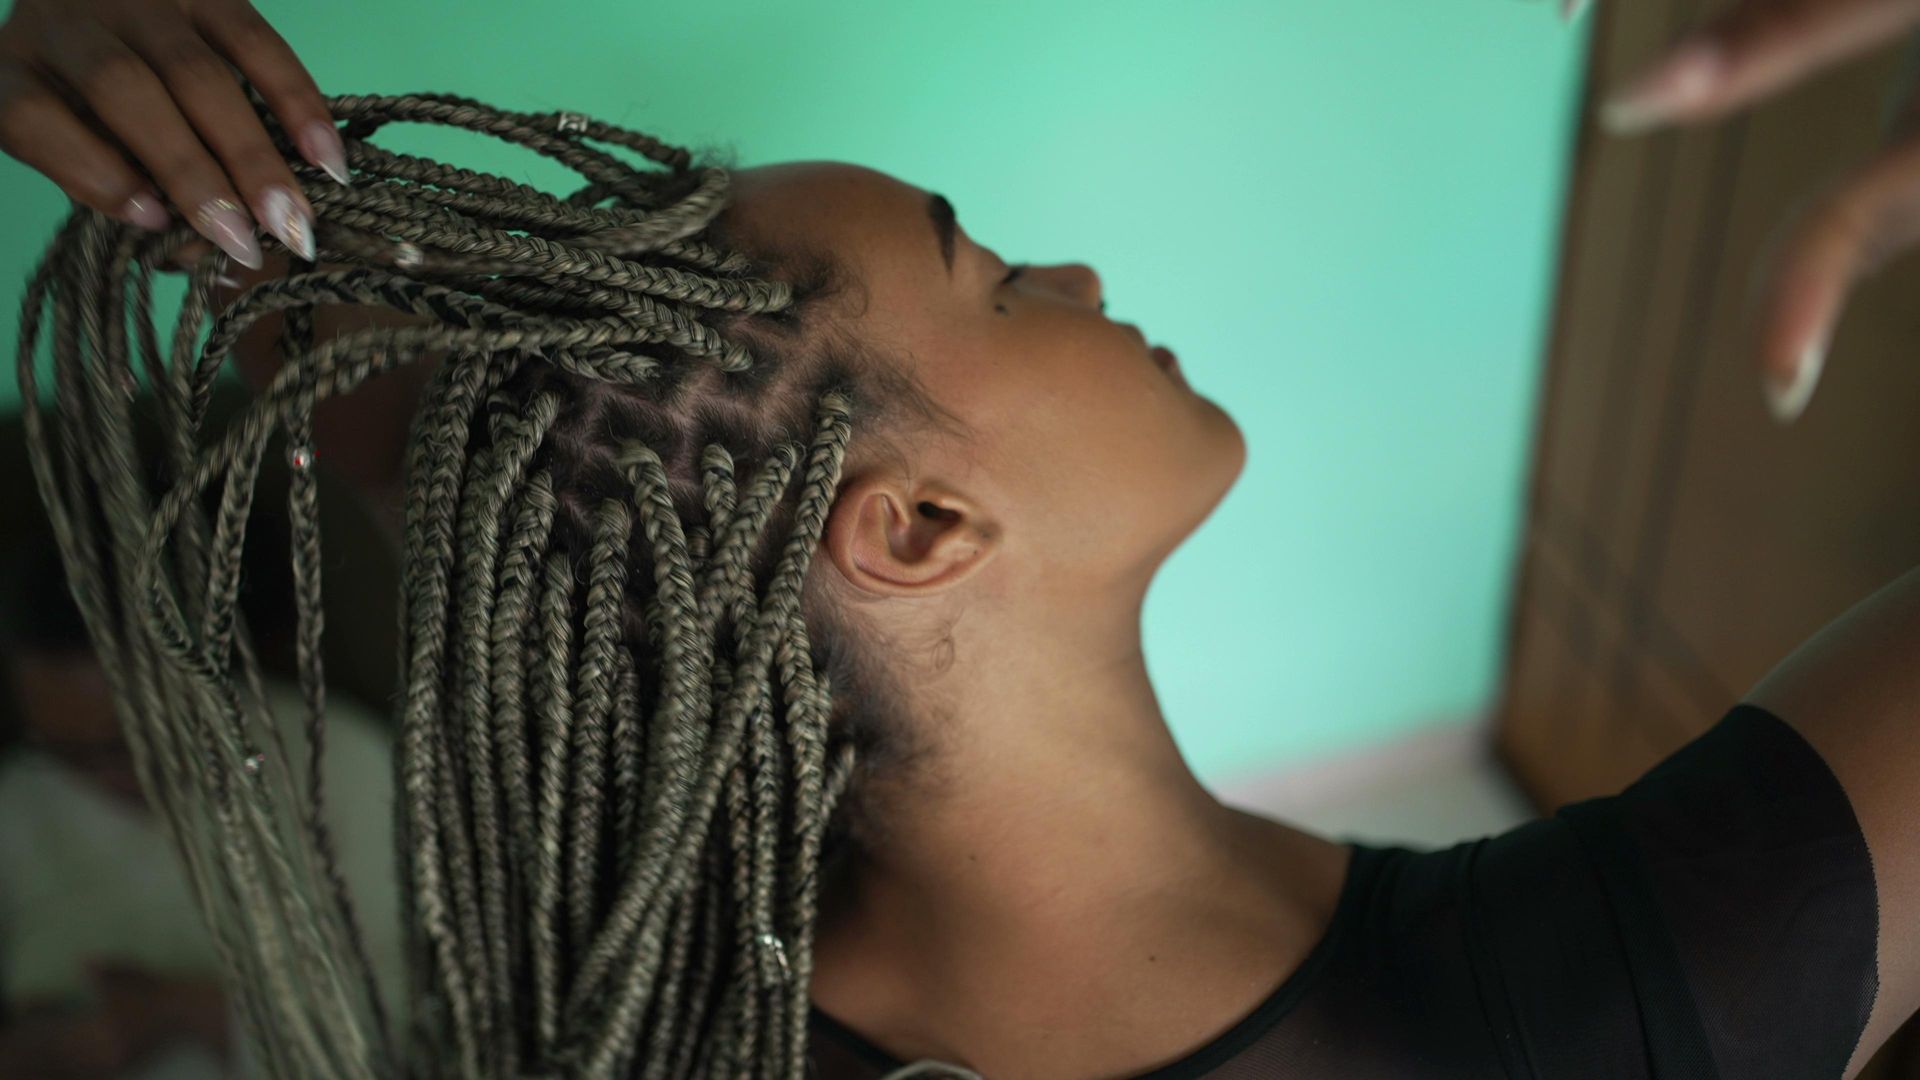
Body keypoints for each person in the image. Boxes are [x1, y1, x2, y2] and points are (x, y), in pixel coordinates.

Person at [0, 3, 1915, 1079]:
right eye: (993, 278)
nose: (1071, 271)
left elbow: (490, 436)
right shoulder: (1609, 1013)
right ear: (913, 527)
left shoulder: (654, 1006)